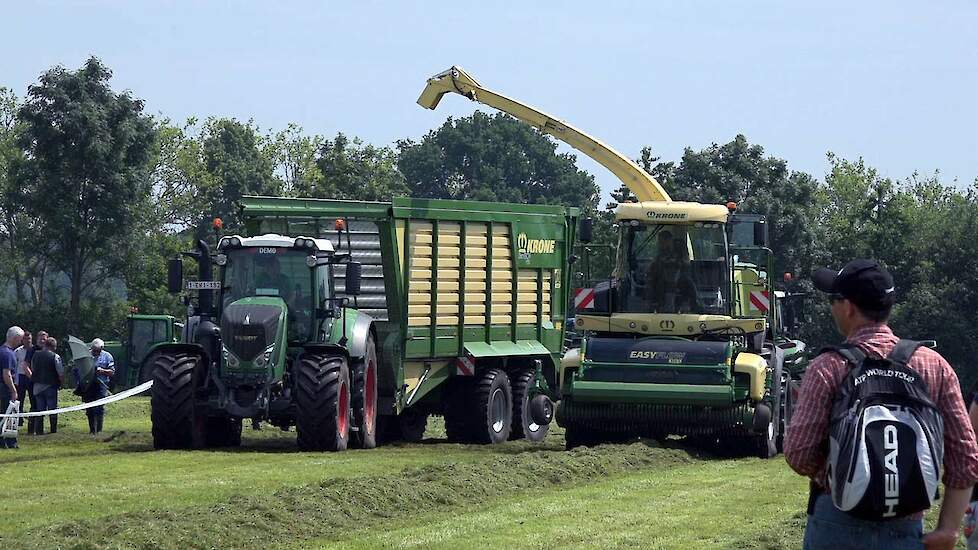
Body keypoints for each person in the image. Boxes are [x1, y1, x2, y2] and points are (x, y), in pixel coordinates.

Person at [784, 259, 978, 550]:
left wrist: (844, 472)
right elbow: (965, 457)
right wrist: (948, 530)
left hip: (834, 523)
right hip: (905, 526)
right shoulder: (934, 366)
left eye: (833, 299)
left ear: (847, 307)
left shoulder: (828, 367)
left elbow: (798, 453)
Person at [30, 337, 63, 435]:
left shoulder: (35, 355)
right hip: (50, 386)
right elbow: (60, 373)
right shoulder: (55, 356)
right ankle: (53, 430)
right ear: (53, 346)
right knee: (52, 409)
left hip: (37, 386)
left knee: (40, 410)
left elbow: (33, 368)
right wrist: (60, 383)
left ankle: (39, 430)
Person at [85, 338, 115, 436]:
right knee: (89, 407)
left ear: (101, 348)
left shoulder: (107, 356)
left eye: (97, 350)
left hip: (102, 385)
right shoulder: (87, 356)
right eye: (94, 350)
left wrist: (102, 370)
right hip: (89, 385)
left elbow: (112, 372)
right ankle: (92, 430)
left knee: (100, 407)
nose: (95, 352)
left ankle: (99, 430)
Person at [1, 326, 23, 449]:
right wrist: (13, 390)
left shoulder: (2, 351)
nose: (20, 342)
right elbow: (6, 374)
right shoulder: (8, 354)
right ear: (15, 338)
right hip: (6, 388)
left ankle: (6, 441)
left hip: (3, 388)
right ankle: (7, 441)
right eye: (19, 339)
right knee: (7, 414)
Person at [13, 331, 33, 429]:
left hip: (32, 377)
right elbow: (14, 366)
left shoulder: (35, 350)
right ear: (22, 340)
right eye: (25, 339)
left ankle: (32, 422)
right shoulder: (17, 351)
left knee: (33, 400)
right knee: (19, 400)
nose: (27, 341)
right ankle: (19, 421)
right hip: (21, 377)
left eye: (29, 339)